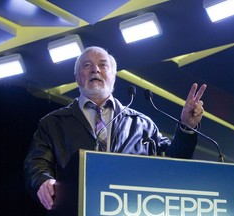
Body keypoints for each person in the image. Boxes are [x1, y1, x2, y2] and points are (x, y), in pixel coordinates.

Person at [24, 46, 207, 211]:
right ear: (76, 77)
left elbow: (174, 163)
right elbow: (36, 164)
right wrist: (43, 181)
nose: (95, 69)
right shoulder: (53, 123)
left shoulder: (142, 124)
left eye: (103, 65)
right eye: (87, 65)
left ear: (113, 75)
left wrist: (186, 126)